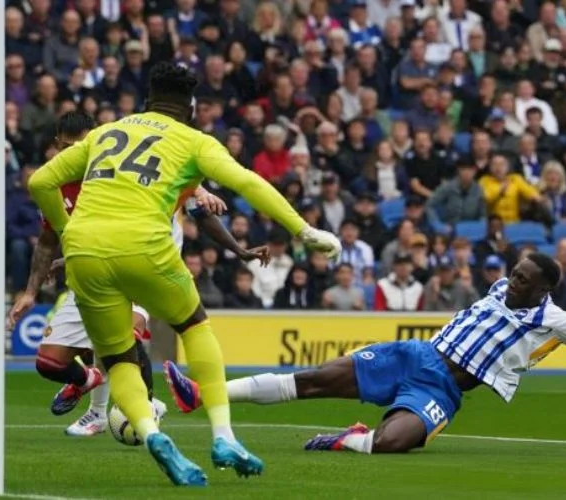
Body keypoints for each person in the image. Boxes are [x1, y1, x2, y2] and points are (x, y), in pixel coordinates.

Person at [28, 62, 340, 485]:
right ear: (189, 108)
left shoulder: (104, 132)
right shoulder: (193, 140)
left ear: (147, 101)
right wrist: (304, 230)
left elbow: (41, 182)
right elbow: (249, 183)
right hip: (145, 248)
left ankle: (151, 433)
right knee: (195, 328)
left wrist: (69, 232)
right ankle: (223, 436)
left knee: (118, 358)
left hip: (84, 253)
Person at [164, 234, 566, 454]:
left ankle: (349, 440)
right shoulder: (500, 286)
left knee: (392, 443)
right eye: (513, 273)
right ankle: (203, 394)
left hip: (442, 388)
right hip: (415, 354)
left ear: (544, 288)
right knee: (316, 379)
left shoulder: (552, 319)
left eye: (523, 278)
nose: (511, 281)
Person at [8, 112, 269, 437]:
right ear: (56, 147)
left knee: (124, 335)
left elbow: (198, 209)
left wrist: (231, 237)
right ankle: (91, 385)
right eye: (66, 148)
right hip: (94, 272)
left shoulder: (131, 172)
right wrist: (34, 288)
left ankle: (143, 404)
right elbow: (52, 239)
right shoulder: (59, 185)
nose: (75, 154)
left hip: (147, 268)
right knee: (50, 364)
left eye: (82, 146)